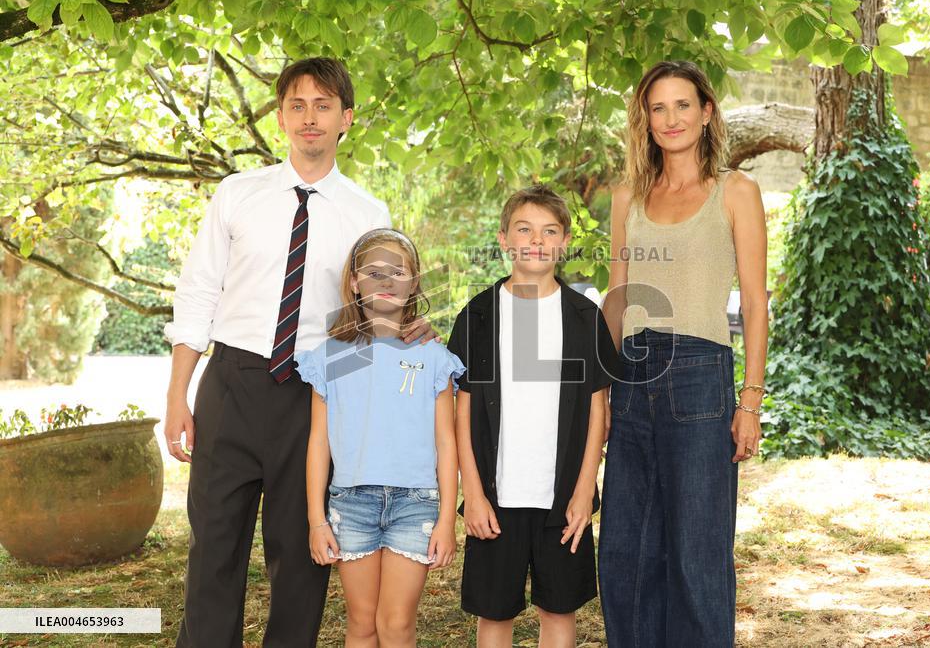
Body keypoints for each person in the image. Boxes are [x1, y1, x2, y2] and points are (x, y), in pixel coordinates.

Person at [163, 57, 431, 647]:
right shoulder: (238, 194)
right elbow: (199, 291)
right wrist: (178, 395)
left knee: (302, 554)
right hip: (229, 384)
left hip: (312, 398)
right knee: (214, 544)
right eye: (297, 105)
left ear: (346, 120)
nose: (310, 117)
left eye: (324, 105)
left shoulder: (368, 213)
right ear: (282, 115)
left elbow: (379, 305)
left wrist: (413, 332)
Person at [597, 60, 768, 647]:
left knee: (697, 554)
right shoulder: (628, 197)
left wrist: (750, 400)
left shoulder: (736, 192)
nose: (671, 118)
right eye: (658, 107)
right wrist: (598, 394)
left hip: (700, 376)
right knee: (625, 550)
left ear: (706, 112)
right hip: (632, 375)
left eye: (683, 105)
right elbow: (616, 301)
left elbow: (753, 304)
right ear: (645, 119)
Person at [447, 185, 619, 648]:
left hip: (562, 497)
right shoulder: (477, 316)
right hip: (496, 497)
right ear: (504, 239)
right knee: (494, 611)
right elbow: (462, 414)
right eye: (524, 229)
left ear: (563, 242)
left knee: (558, 609)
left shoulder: (584, 317)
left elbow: (597, 410)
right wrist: (474, 493)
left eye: (549, 231)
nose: (536, 241)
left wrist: (585, 490)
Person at [297, 228, 464, 646]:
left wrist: (446, 520)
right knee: (362, 625)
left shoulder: (434, 357)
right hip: (351, 505)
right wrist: (317, 520)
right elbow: (319, 443)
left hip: (415, 505)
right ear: (354, 282)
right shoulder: (330, 357)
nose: (386, 282)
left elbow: (448, 444)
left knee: (396, 626)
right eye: (373, 273)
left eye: (397, 273)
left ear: (413, 283)